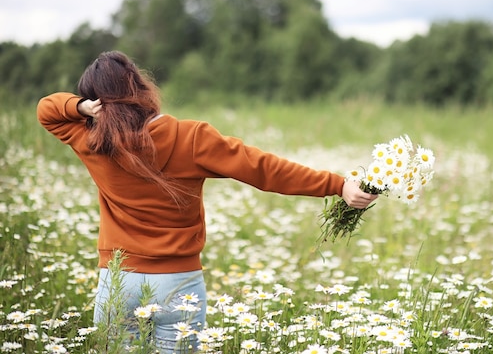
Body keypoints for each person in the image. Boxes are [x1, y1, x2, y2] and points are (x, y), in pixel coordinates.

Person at [37, 50, 378, 352]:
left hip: (117, 281)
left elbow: (47, 110)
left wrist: (79, 107)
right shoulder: (192, 137)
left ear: (97, 103)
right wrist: (338, 185)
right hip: (178, 283)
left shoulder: (90, 141)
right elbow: (264, 169)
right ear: (140, 88)